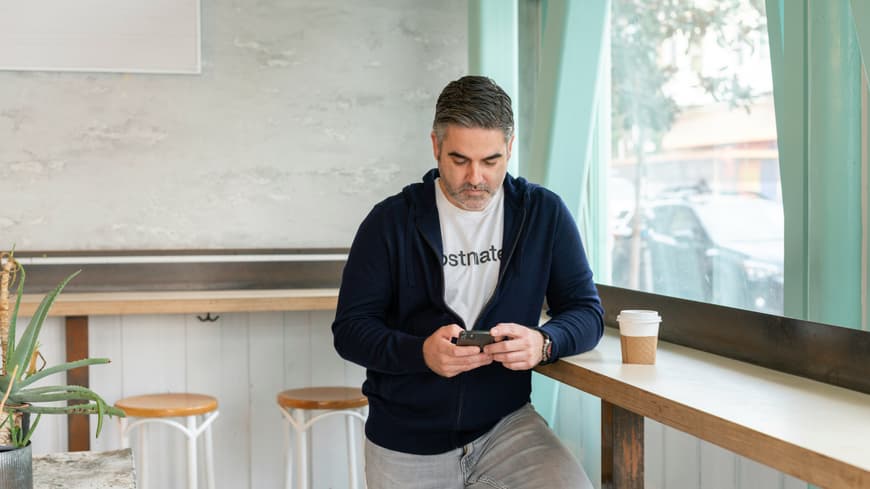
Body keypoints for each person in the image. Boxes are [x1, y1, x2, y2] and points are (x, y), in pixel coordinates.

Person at [332, 75, 604, 488]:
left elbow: (586, 312)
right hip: (406, 438)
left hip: (505, 426)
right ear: (436, 146)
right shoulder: (389, 222)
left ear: (510, 148)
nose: (476, 177)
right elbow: (350, 331)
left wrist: (544, 343)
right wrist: (420, 352)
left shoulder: (542, 214)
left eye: (491, 161)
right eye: (460, 160)